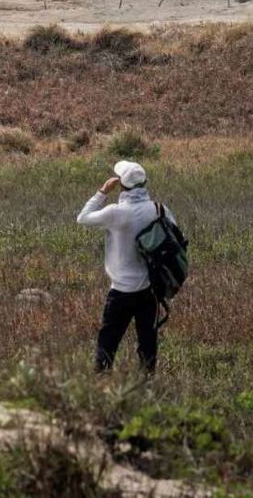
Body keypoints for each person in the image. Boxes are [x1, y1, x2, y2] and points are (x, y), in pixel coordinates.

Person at [75, 159, 173, 374]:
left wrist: (102, 192)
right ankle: (146, 382)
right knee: (148, 341)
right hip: (150, 290)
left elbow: (82, 218)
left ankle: (102, 380)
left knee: (108, 340)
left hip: (120, 290)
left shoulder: (114, 212)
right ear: (145, 182)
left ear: (121, 185)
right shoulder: (159, 209)